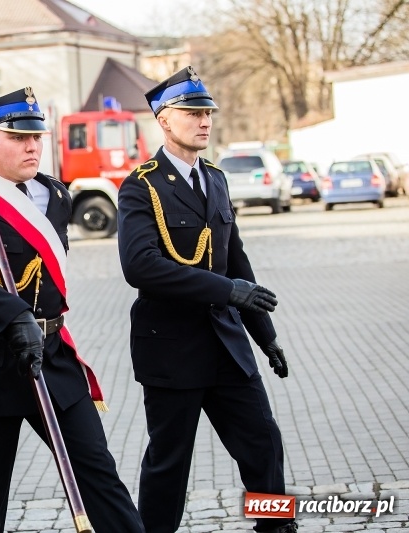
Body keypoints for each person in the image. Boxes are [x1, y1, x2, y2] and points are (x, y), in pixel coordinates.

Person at [0, 87, 143, 533]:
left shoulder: (56, 195)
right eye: (18, 137)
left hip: (51, 354)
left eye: (36, 137)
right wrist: (11, 314)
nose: (32, 146)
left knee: (99, 476)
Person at [116, 66, 297, 533]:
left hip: (226, 345)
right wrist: (226, 290)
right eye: (193, 112)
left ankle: (274, 526)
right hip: (171, 347)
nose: (204, 121)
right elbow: (141, 267)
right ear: (164, 120)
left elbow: (236, 260)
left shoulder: (215, 178)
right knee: (169, 463)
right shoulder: (142, 185)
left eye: (208, 113)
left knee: (262, 442)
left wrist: (266, 336)